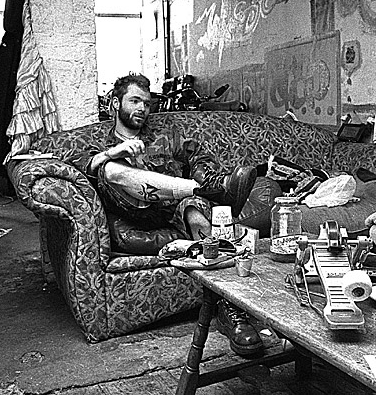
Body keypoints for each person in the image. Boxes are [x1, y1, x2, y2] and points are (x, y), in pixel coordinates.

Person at [67, 73, 264, 357]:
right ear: (115, 104)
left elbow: (198, 154)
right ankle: (211, 191)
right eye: (135, 101)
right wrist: (114, 152)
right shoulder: (98, 140)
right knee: (108, 169)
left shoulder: (165, 135)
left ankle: (229, 309)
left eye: (147, 103)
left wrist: (204, 173)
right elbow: (81, 165)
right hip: (134, 212)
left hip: (173, 207)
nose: (142, 108)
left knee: (197, 213)